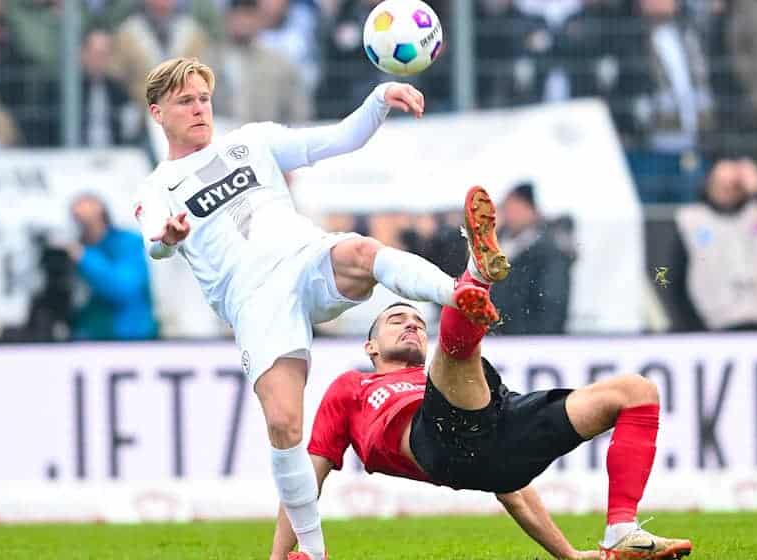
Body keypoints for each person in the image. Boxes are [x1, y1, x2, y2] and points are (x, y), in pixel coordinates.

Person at [133, 57, 504, 560]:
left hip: (305, 257)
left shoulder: (252, 141)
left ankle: (458, 288)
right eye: (185, 101)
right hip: (254, 298)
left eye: (204, 98)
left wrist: (378, 101)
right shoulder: (158, 185)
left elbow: (337, 140)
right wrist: (169, 237)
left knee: (363, 254)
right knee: (285, 424)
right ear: (158, 112)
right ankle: (311, 551)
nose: (199, 109)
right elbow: (154, 241)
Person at [271, 187, 693, 560]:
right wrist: (282, 554)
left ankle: (620, 531)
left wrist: (567, 555)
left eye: (418, 321)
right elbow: (306, 476)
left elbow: (510, 486)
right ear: (371, 346)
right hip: (435, 440)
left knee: (636, 391)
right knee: (455, 360)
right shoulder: (352, 386)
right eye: (397, 319)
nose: (411, 324)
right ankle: (475, 274)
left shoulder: (434, 374)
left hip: (492, 429)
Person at [670, 157, 757, 332]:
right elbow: (663, 273)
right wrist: (690, 325)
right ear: (709, 184)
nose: (727, 190)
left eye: (734, 185)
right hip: (718, 324)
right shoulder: (691, 221)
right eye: (721, 184)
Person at [66, 194, 158, 341]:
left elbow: (124, 288)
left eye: (86, 207)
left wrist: (84, 258)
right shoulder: (75, 248)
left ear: (101, 211)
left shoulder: (128, 242)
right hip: (89, 339)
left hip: (131, 338)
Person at [489, 182, 574, 335]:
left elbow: (551, 303)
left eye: (512, 209)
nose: (507, 215)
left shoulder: (548, 251)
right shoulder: (504, 244)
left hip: (531, 339)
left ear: (529, 209)